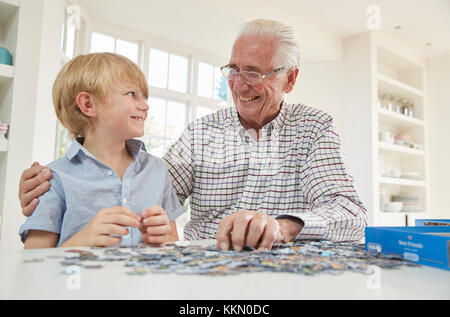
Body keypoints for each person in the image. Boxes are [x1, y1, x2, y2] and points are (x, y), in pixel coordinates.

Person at [18, 19, 367, 251]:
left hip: (285, 276)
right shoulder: (200, 133)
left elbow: (351, 216)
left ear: (289, 79)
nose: (239, 84)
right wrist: (57, 186)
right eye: (233, 70)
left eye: (254, 73)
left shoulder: (314, 127)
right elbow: (139, 184)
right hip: (205, 275)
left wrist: (284, 226)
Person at [19, 52, 184, 249]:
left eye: (144, 97)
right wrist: (82, 240)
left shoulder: (157, 170)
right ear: (88, 104)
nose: (145, 105)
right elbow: (33, 261)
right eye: (132, 94)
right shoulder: (53, 178)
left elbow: (172, 238)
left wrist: (160, 237)